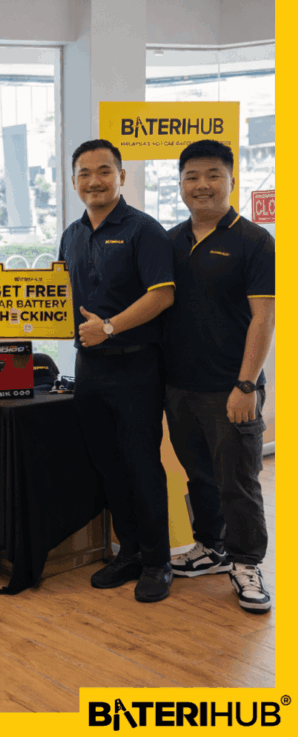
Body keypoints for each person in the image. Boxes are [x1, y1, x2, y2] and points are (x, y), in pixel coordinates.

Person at [58, 139, 176, 603]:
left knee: (142, 465)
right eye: (84, 173)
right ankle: (128, 552)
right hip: (89, 369)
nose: (94, 181)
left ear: (121, 176)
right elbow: (56, 299)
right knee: (108, 466)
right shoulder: (71, 234)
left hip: (136, 368)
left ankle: (157, 561)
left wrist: (109, 327)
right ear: (73, 182)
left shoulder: (145, 230)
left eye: (104, 171)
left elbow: (162, 294)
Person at [163, 139, 275, 613]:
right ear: (181, 184)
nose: (201, 185)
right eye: (192, 177)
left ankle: (247, 562)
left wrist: (246, 385)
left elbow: (263, 317)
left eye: (212, 175)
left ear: (231, 180)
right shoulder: (169, 241)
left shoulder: (253, 241)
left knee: (240, 481)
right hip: (180, 386)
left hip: (232, 387)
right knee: (199, 476)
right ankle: (211, 547)